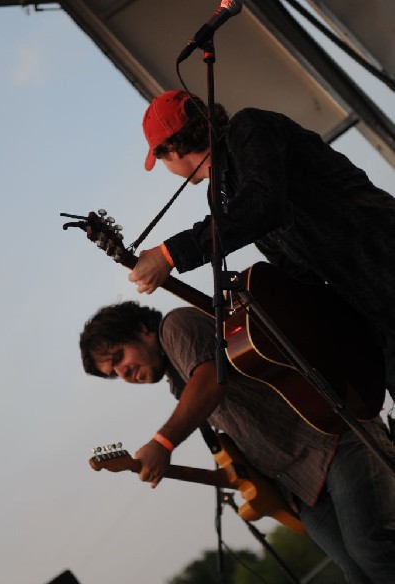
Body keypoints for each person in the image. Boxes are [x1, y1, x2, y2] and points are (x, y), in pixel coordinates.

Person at [79, 299, 395, 584]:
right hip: (299, 485)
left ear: (141, 330)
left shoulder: (176, 326)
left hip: (331, 440)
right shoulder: (176, 380)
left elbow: (210, 381)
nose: (123, 374)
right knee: (361, 575)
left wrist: (163, 443)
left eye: (118, 357)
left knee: (370, 548)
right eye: (113, 374)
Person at [128, 89, 395, 399]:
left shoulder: (248, 128)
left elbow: (263, 204)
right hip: (372, 311)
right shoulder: (220, 194)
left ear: (171, 148)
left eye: (158, 157)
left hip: (382, 254)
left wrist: (170, 253)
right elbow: (291, 267)